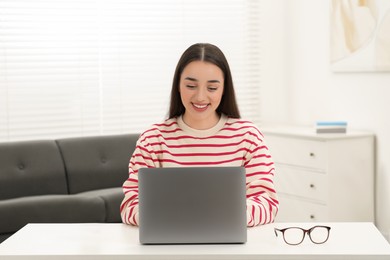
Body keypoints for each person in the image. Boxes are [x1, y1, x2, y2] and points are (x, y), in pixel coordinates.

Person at [120, 43, 278, 227]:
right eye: (191, 85)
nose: (201, 97)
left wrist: (226, 215)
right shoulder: (153, 139)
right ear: (178, 85)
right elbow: (130, 205)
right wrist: (164, 216)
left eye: (212, 88)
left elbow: (267, 203)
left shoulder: (248, 137)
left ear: (224, 89)